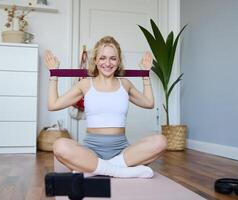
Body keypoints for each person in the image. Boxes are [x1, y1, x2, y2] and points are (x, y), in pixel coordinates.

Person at [45, 36, 167, 178]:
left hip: (122, 152)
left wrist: (145, 75)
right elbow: (53, 105)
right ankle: (119, 171)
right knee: (59, 146)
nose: (107, 63)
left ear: (118, 61)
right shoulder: (85, 84)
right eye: (102, 58)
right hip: (91, 151)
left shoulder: (125, 84)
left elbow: (148, 103)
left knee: (161, 141)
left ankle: (95, 169)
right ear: (95, 60)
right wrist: (53, 74)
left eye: (113, 58)